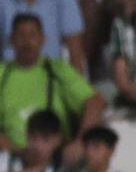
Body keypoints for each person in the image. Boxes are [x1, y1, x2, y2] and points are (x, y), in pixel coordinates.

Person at [0, 14, 105, 158]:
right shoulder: (2, 73)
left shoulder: (58, 69)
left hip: (55, 158)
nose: (27, 41)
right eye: (21, 35)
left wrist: (80, 141)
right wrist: (15, 150)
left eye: (32, 35)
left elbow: (95, 102)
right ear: (11, 40)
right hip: (9, 157)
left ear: (43, 39)